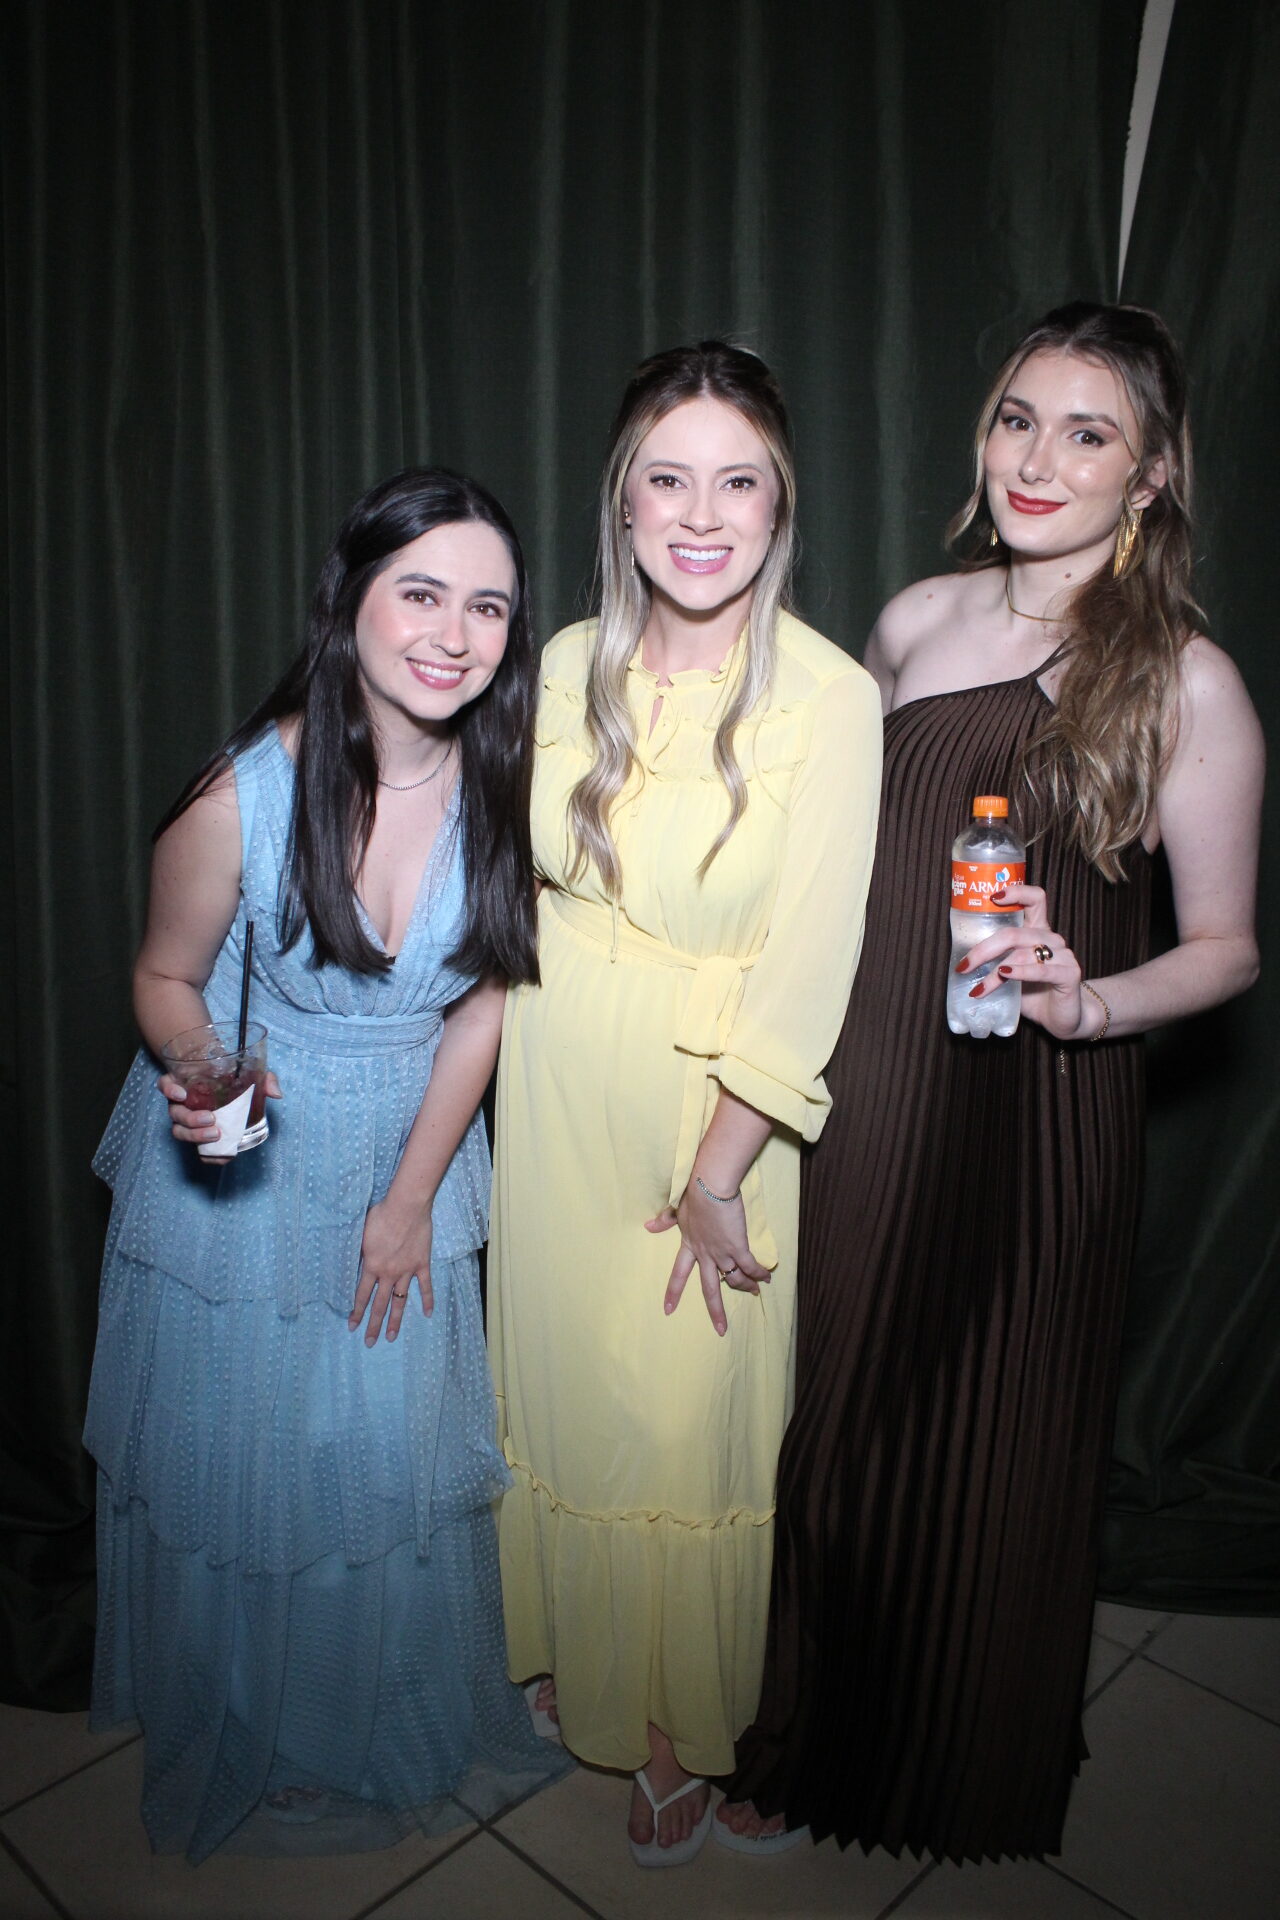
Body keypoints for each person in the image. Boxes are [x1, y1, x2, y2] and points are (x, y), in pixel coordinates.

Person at [724, 302, 1264, 1862]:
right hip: (877, 1075)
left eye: (1089, 433)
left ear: (1149, 476)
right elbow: (829, 857)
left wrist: (1088, 1004)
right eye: (1020, 418)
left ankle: (966, 1761)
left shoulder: (1188, 681)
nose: (1039, 457)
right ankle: (807, 1730)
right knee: (842, 1413)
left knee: (1003, 1443)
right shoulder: (912, 621)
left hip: (1044, 1110)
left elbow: (1227, 950)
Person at [84, 468, 571, 1862]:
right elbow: (166, 977)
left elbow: (484, 1006)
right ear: (349, 599)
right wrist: (202, 1074)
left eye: (489, 607)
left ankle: (372, 1711)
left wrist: (410, 1202)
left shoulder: (507, 784)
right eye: (421, 593)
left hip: (414, 1150)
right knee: (255, 1465)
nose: (455, 635)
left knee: (380, 1464)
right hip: (254, 1168)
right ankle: (262, 1721)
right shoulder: (238, 795)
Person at [486, 341, 883, 1866]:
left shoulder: (830, 696)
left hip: (707, 1107)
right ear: (623, 499)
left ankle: (675, 1728)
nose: (701, 516)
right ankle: (574, 1655)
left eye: (738, 482)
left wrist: (719, 1171)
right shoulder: (565, 658)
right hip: (553, 1073)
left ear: (782, 504)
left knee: (682, 1426)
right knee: (564, 1394)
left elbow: (811, 963)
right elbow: (507, 878)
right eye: (669, 479)